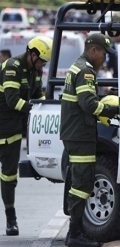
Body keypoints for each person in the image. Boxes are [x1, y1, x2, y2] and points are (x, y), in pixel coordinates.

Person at [60, 33, 118, 247]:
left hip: (76, 133)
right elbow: (89, 105)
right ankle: (74, 235)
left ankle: (75, 233)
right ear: (93, 50)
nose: (105, 58)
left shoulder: (79, 66)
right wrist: (112, 110)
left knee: (81, 181)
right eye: (103, 53)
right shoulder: (85, 71)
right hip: (80, 134)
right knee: (81, 183)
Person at [0, 36, 52, 236]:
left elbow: (38, 95)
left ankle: (10, 220)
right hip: (4, 121)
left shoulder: (35, 70)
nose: (43, 65)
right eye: (42, 61)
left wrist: (45, 107)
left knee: (9, 175)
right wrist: (35, 110)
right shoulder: (13, 67)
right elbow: (13, 100)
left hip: (12, 129)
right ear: (32, 54)